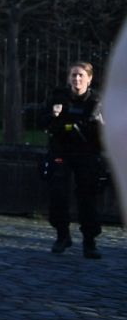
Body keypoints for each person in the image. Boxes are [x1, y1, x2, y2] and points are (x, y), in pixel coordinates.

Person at [46, 61, 105, 259]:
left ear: (89, 79)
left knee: (87, 196)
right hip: (61, 151)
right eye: (74, 75)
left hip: (86, 152)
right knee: (58, 194)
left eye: (81, 75)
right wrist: (53, 115)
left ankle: (90, 241)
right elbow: (42, 121)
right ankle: (62, 236)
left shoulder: (96, 101)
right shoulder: (58, 98)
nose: (77, 79)